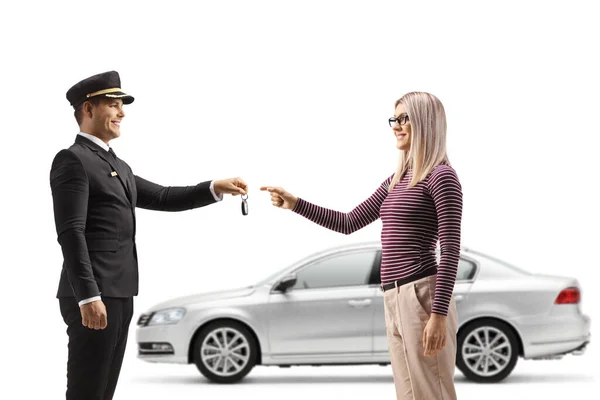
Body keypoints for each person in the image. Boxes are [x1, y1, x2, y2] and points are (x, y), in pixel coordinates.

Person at [50, 70, 248, 400]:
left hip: (119, 292)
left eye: (121, 105)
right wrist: (88, 295)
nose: (122, 113)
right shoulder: (73, 160)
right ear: (88, 109)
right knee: (87, 391)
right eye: (113, 105)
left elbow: (162, 196)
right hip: (94, 294)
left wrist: (213, 188)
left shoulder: (117, 166)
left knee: (102, 390)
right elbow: (71, 231)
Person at [261, 91, 462, 400]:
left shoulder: (441, 177)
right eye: (394, 119)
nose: (396, 125)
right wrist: (296, 204)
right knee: (408, 394)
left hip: (422, 295)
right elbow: (348, 222)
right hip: (393, 296)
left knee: (432, 393)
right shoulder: (396, 180)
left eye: (404, 118)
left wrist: (438, 315)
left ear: (425, 122)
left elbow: (450, 250)